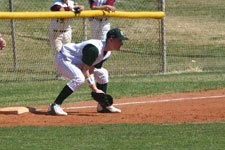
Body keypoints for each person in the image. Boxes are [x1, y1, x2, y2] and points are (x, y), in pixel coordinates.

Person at [48, 28, 128, 116]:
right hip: (64, 59)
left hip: (78, 63)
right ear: (111, 40)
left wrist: (96, 89)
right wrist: (94, 89)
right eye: (119, 40)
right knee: (79, 78)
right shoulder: (94, 49)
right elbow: (85, 70)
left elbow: (91, 69)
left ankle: (103, 106)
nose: (122, 43)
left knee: (103, 73)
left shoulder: (107, 53)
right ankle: (55, 105)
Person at [48, 0, 84, 79]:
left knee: (68, 54)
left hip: (67, 32)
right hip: (56, 33)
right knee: (60, 53)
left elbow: (81, 7)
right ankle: (60, 75)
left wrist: (79, 7)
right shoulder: (56, 3)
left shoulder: (72, 2)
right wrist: (72, 8)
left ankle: (65, 74)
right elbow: (60, 9)